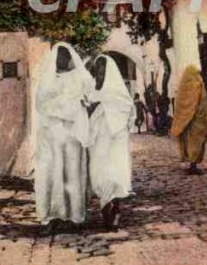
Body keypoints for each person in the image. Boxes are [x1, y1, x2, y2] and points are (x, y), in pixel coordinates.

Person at [34, 42, 94, 232]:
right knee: (51, 174)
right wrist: (69, 103)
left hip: (73, 132)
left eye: (66, 55)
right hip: (51, 133)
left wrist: (75, 103)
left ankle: (75, 216)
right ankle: (50, 216)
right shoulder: (47, 80)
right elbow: (42, 104)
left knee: (73, 173)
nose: (63, 59)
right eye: (59, 55)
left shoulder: (80, 77)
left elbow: (89, 97)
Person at [87, 54, 135, 231]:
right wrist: (94, 104)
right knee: (100, 175)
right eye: (97, 70)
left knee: (115, 176)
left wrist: (105, 102)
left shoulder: (118, 94)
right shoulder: (91, 92)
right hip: (98, 142)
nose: (99, 74)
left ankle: (114, 210)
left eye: (102, 70)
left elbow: (129, 113)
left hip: (115, 142)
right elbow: (85, 114)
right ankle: (106, 208)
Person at [170, 65, 207, 175]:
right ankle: (193, 166)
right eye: (197, 74)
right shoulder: (196, 86)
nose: (199, 77)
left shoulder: (184, 88)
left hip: (193, 120)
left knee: (193, 143)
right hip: (194, 121)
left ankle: (192, 164)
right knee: (194, 143)